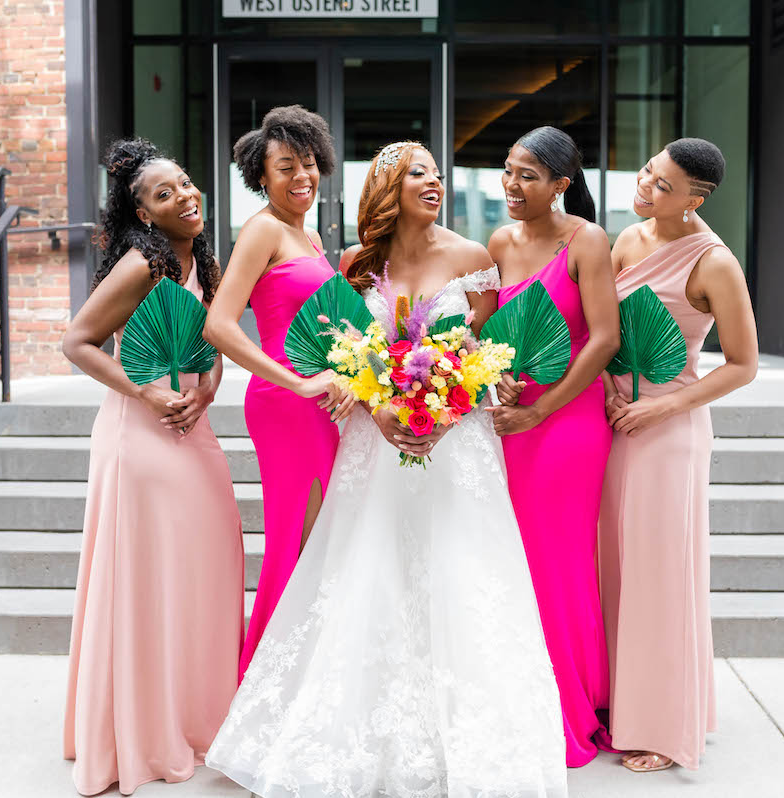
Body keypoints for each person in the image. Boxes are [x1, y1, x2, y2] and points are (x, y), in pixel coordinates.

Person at [205, 142, 568, 797]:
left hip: (458, 447)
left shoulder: (473, 259)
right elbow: (353, 357)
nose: (434, 182)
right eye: (417, 174)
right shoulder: (353, 264)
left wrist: (452, 411)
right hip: (374, 441)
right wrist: (381, 412)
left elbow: (490, 357)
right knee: (368, 570)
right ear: (387, 187)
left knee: (462, 573)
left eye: (436, 172)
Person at [61, 138, 244, 795]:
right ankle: (143, 728)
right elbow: (77, 341)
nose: (185, 197)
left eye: (187, 185)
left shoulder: (208, 263)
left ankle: (199, 715)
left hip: (191, 430)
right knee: (150, 579)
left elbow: (215, 343)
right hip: (137, 436)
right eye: (165, 194)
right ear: (144, 214)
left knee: (207, 566)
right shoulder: (143, 264)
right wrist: (144, 391)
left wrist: (210, 385)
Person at [598, 137, 758, 773]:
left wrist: (660, 408)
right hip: (613, 421)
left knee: (660, 578)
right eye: (647, 173)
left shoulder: (715, 262)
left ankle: (664, 729)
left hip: (668, 430)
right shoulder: (627, 239)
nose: (646, 188)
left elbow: (744, 365)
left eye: (664, 186)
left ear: (697, 197)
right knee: (616, 566)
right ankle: (625, 701)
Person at [202, 105, 355, 678]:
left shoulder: (310, 234)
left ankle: (309, 679)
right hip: (286, 404)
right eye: (286, 166)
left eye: (309, 163)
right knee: (300, 543)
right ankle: (272, 686)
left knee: (320, 543)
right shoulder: (263, 228)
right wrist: (296, 381)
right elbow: (219, 323)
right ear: (261, 178)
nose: (302, 177)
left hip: (323, 407)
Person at [486, 126, 620, 767]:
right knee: (509, 562)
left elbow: (602, 339)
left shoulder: (586, 239)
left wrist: (544, 406)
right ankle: (514, 698)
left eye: (529, 175)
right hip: (508, 421)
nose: (512, 185)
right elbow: (483, 332)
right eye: (508, 171)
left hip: (566, 422)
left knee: (555, 562)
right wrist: (493, 376)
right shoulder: (498, 242)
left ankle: (567, 705)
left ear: (561, 185)